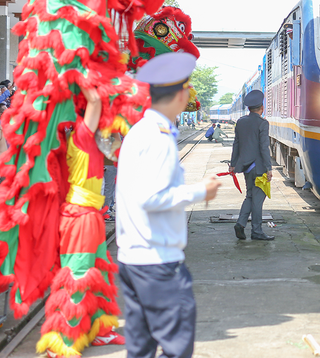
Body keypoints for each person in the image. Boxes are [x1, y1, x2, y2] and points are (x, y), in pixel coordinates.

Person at [115, 52, 221, 358]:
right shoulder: (158, 138)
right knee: (176, 346)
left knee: (141, 347)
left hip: (134, 258)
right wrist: (201, 192)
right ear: (180, 94)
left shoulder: (139, 132)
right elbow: (152, 197)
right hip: (157, 262)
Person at [36, 86, 125, 357]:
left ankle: (99, 329)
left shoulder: (93, 139)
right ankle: (62, 339)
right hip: (79, 218)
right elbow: (96, 99)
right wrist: (84, 68)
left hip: (91, 214)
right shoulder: (83, 135)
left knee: (99, 271)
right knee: (77, 276)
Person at [229, 89, 274, 241]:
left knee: (249, 195)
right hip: (259, 167)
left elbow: (236, 144)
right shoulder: (262, 123)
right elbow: (264, 147)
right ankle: (257, 231)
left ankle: (241, 224)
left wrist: (233, 164)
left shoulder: (241, 122)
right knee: (258, 199)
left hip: (246, 167)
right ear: (262, 108)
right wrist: (269, 168)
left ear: (248, 108)